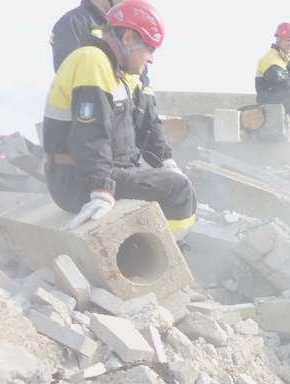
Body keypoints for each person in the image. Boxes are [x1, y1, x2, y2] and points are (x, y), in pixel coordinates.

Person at [43, 0, 195, 232]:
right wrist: (101, 190)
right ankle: (171, 250)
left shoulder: (122, 73)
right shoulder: (92, 61)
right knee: (178, 189)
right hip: (77, 179)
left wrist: (166, 160)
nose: (152, 58)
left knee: (174, 179)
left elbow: (147, 121)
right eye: (150, 48)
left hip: (104, 171)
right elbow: (90, 133)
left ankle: (166, 241)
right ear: (127, 40)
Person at [51, 0, 173, 171]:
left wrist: (164, 157)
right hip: (92, 157)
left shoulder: (131, 23)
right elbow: (82, 96)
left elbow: (143, 98)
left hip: (125, 152)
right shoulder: (72, 24)